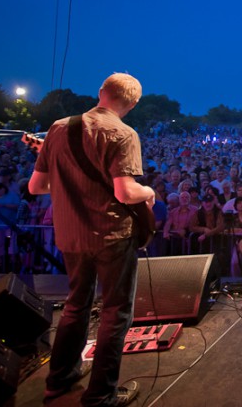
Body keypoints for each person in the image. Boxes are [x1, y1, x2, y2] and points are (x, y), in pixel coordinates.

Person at [28, 73, 153, 406]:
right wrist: (150, 190)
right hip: (111, 235)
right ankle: (99, 396)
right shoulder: (123, 134)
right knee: (115, 313)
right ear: (133, 103)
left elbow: (36, 187)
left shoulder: (58, 128)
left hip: (70, 234)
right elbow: (126, 192)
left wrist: (69, 184)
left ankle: (59, 379)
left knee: (74, 305)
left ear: (101, 92)